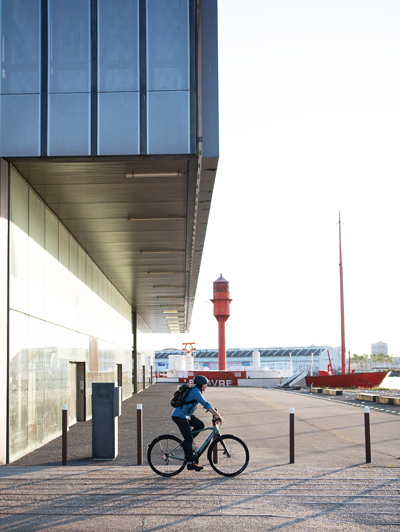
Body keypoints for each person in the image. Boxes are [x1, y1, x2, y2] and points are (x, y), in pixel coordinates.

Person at [171, 375, 223, 471]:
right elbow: (205, 404)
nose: (206, 386)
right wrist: (217, 415)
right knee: (189, 439)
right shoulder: (195, 392)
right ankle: (191, 463)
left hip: (186, 415)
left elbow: (206, 404)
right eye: (205, 384)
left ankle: (187, 444)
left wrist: (214, 413)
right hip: (180, 416)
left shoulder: (196, 390)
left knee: (200, 425)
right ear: (200, 385)